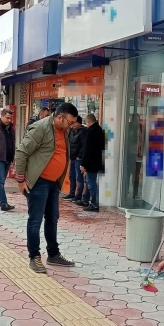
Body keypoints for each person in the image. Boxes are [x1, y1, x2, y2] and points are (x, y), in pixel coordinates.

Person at [15, 102, 79, 273]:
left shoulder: (63, 130)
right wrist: (20, 180)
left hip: (53, 182)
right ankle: (34, 256)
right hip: (38, 182)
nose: (71, 126)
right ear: (59, 117)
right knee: (35, 220)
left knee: (52, 218)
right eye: (70, 122)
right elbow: (21, 152)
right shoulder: (41, 128)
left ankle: (53, 254)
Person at [79, 113, 105, 212]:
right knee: (92, 182)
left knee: (91, 183)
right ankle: (86, 200)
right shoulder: (100, 130)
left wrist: (83, 164)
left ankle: (94, 204)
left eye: (86, 122)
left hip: (91, 162)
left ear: (89, 122)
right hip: (98, 161)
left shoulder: (90, 132)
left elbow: (87, 149)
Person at [65, 116, 87, 202]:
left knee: (79, 177)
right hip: (72, 157)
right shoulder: (71, 130)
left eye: (75, 123)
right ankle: (71, 193)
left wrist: (80, 156)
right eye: (72, 123)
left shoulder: (83, 132)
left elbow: (83, 145)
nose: (73, 125)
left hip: (78, 158)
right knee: (72, 176)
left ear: (79, 123)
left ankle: (78, 195)